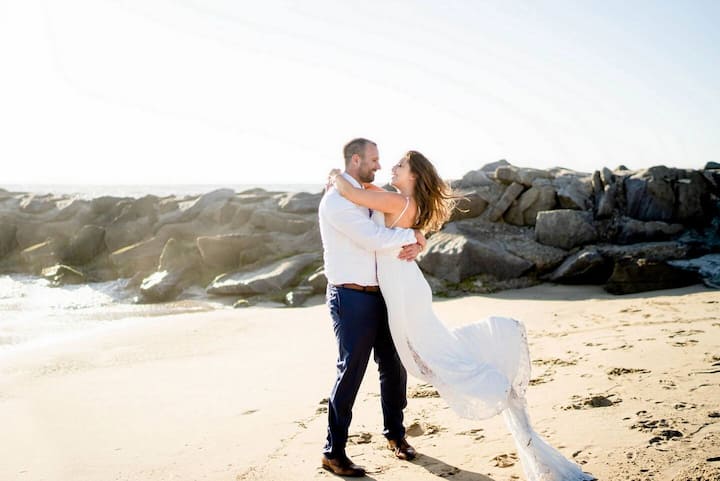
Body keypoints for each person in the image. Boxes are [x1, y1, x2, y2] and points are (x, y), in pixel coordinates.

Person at [329, 150, 596, 481]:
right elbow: (367, 194)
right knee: (425, 350)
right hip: (401, 286)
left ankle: (488, 382)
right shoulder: (400, 200)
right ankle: (464, 386)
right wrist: (416, 237)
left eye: (400, 165)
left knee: (428, 353)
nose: (392, 168)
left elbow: (353, 192)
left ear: (413, 175)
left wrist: (335, 176)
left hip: (403, 289)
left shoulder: (397, 201)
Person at [318, 138, 426, 477]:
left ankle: (396, 435)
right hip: (350, 297)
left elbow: (398, 219)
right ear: (356, 159)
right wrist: (413, 238)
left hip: (384, 293)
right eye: (374, 159)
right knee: (351, 370)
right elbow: (374, 239)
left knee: (394, 365)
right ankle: (333, 451)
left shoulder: (366, 193)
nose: (379, 165)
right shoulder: (336, 201)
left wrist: (418, 236)